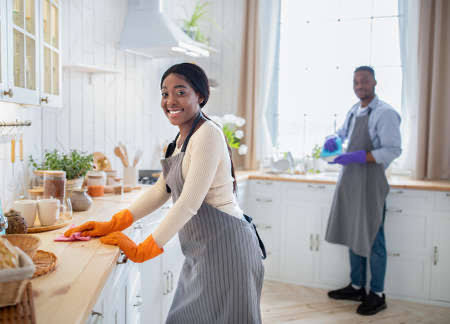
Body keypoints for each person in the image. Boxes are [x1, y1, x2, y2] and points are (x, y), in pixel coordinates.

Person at [65, 63, 265, 324]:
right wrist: (113, 223)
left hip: (228, 251)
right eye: (164, 93)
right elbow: (162, 190)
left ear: (200, 96)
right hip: (203, 252)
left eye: (180, 92)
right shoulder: (180, 140)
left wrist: (144, 249)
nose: (170, 101)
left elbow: (188, 204)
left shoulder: (208, 135)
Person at [324, 66, 401, 316]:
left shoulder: (386, 113)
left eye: (364, 81)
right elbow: (343, 134)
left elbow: (392, 150)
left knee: (374, 237)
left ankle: (377, 294)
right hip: (352, 182)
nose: (360, 86)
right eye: (356, 82)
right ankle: (357, 286)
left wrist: (358, 156)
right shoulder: (354, 110)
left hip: (371, 183)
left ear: (375, 83)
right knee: (354, 232)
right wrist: (333, 140)